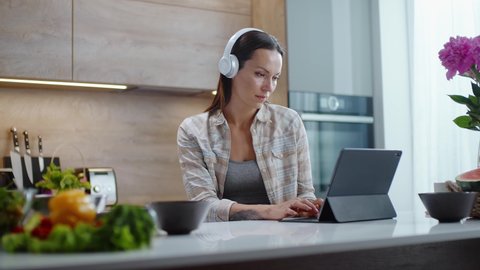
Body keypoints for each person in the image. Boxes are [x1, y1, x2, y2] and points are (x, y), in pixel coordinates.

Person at [177, 28, 323, 222]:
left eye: (275, 77)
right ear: (230, 68)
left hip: (284, 241)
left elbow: (305, 193)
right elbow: (204, 205)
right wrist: (268, 211)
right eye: (260, 74)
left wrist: (307, 207)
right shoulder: (193, 131)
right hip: (225, 247)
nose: (269, 87)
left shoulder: (289, 122)